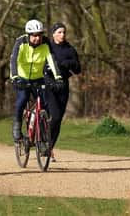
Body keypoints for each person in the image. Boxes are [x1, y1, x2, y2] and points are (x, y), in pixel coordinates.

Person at [9, 19, 61, 143]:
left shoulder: (46, 43)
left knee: (44, 105)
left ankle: (41, 139)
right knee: (22, 99)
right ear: (28, 35)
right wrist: (15, 77)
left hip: (38, 78)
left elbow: (52, 60)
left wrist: (58, 77)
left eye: (39, 35)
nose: (37, 38)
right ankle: (17, 126)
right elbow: (13, 61)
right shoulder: (21, 42)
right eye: (34, 35)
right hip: (22, 77)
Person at [44, 22, 81, 162]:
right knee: (54, 115)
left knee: (58, 119)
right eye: (59, 32)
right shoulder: (47, 47)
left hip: (63, 85)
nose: (62, 35)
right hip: (48, 84)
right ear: (53, 34)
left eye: (64, 32)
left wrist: (70, 63)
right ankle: (40, 137)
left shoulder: (70, 49)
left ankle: (49, 148)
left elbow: (78, 70)